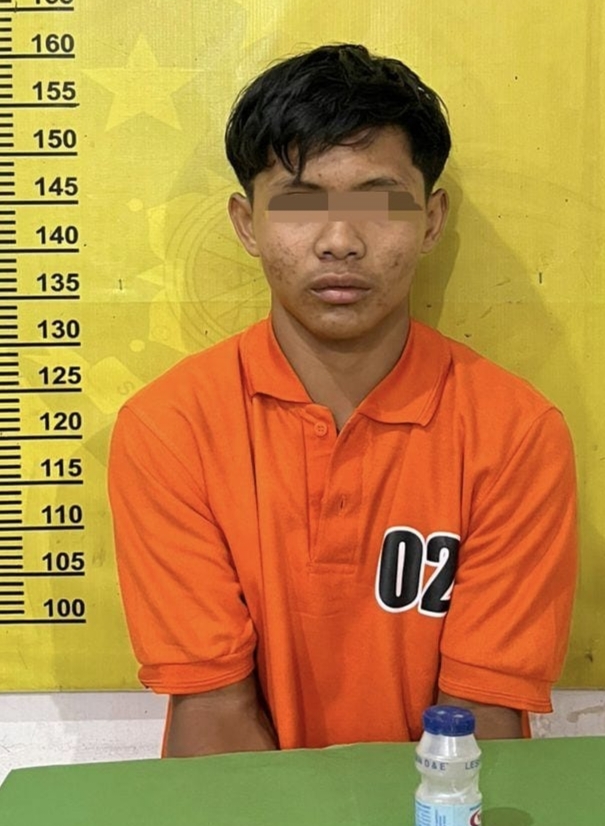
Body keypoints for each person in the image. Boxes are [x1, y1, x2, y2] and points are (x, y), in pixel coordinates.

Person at [108, 43, 577, 758]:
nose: (339, 241)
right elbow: (214, 712)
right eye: (300, 204)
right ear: (246, 223)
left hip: (438, 816)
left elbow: (482, 721)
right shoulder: (170, 429)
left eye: (378, 201)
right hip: (248, 817)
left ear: (430, 220)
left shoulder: (515, 434)